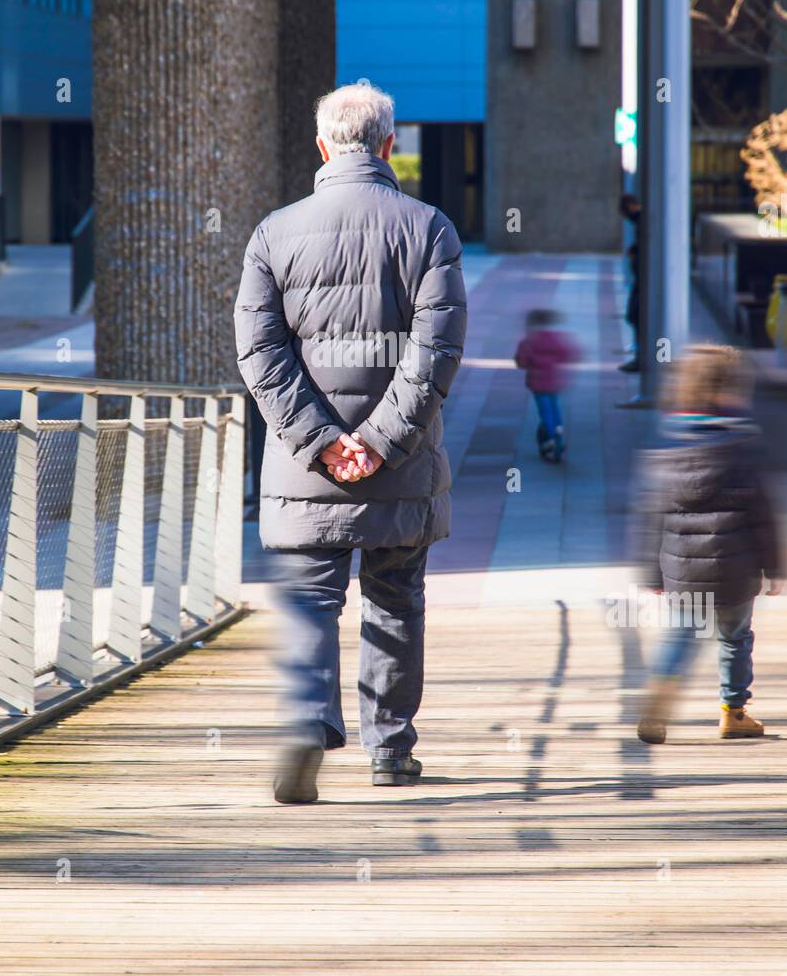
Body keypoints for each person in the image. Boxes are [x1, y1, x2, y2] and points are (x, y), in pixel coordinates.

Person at [234, 83, 467, 803]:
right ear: (390, 145)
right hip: (400, 468)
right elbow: (437, 352)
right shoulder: (429, 230)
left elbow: (260, 355)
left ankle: (306, 727)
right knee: (395, 598)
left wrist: (324, 443)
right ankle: (390, 750)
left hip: (308, 474)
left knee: (308, 603)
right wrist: (379, 442)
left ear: (322, 146)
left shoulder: (275, 233)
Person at [633, 344, 785, 744]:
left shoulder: (666, 446)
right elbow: (763, 515)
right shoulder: (743, 447)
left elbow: (651, 518)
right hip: (736, 570)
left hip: (683, 571)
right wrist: (777, 567)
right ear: (729, 392)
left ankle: (658, 699)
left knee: (680, 635)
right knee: (735, 638)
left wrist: (651, 572)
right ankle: (733, 712)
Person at [514, 309, 579, 462]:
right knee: (554, 408)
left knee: (544, 411)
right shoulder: (555, 339)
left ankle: (551, 436)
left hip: (537, 383)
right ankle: (558, 431)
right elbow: (567, 355)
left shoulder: (528, 342)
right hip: (553, 381)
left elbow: (521, 362)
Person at [619, 193, 641, 373]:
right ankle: (641, 355)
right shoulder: (642, 221)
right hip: (641, 280)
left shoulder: (644, 221)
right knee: (634, 315)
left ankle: (643, 358)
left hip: (644, 282)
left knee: (636, 315)